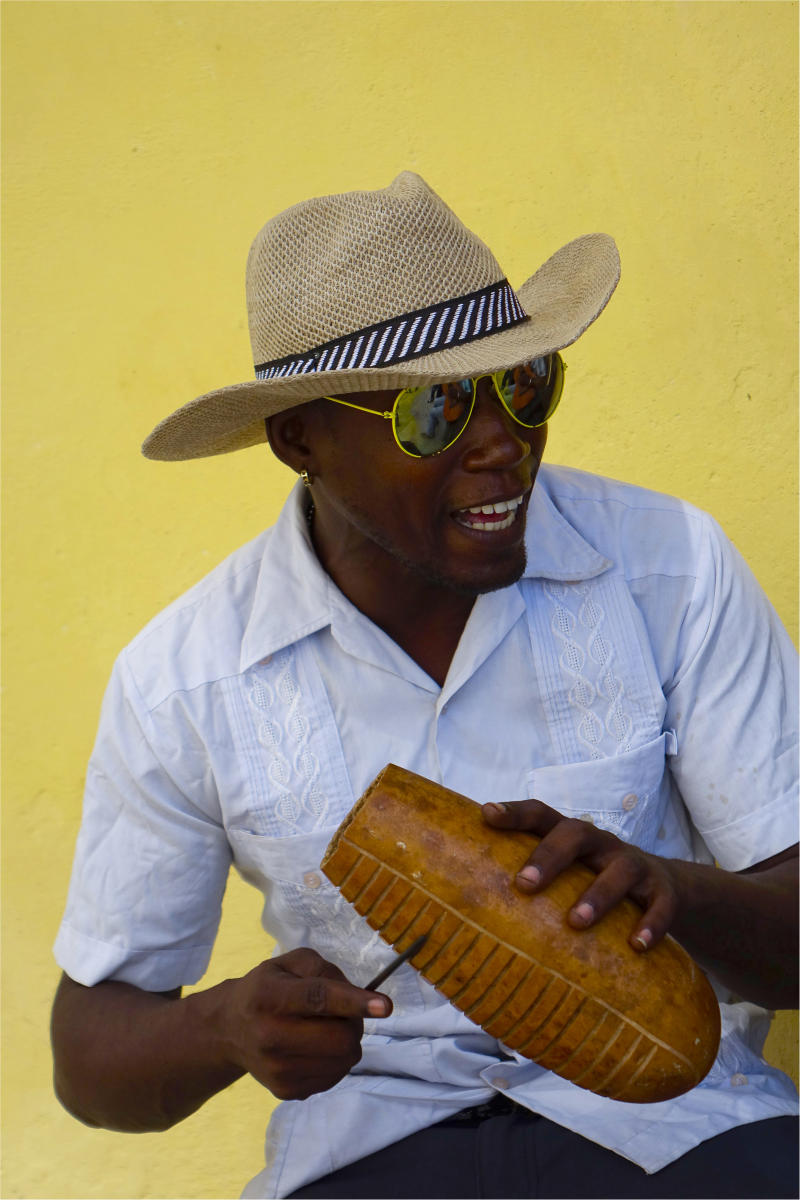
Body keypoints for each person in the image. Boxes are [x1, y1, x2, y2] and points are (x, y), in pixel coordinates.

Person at [51, 172, 798, 1199]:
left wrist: (674, 893)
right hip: (367, 1142)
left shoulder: (669, 568)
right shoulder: (185, 677)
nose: (502, 442)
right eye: (433, 410)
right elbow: (91, 1057)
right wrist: (223, 1027)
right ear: (300, 441)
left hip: (677, 1132)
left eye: (525, 382)